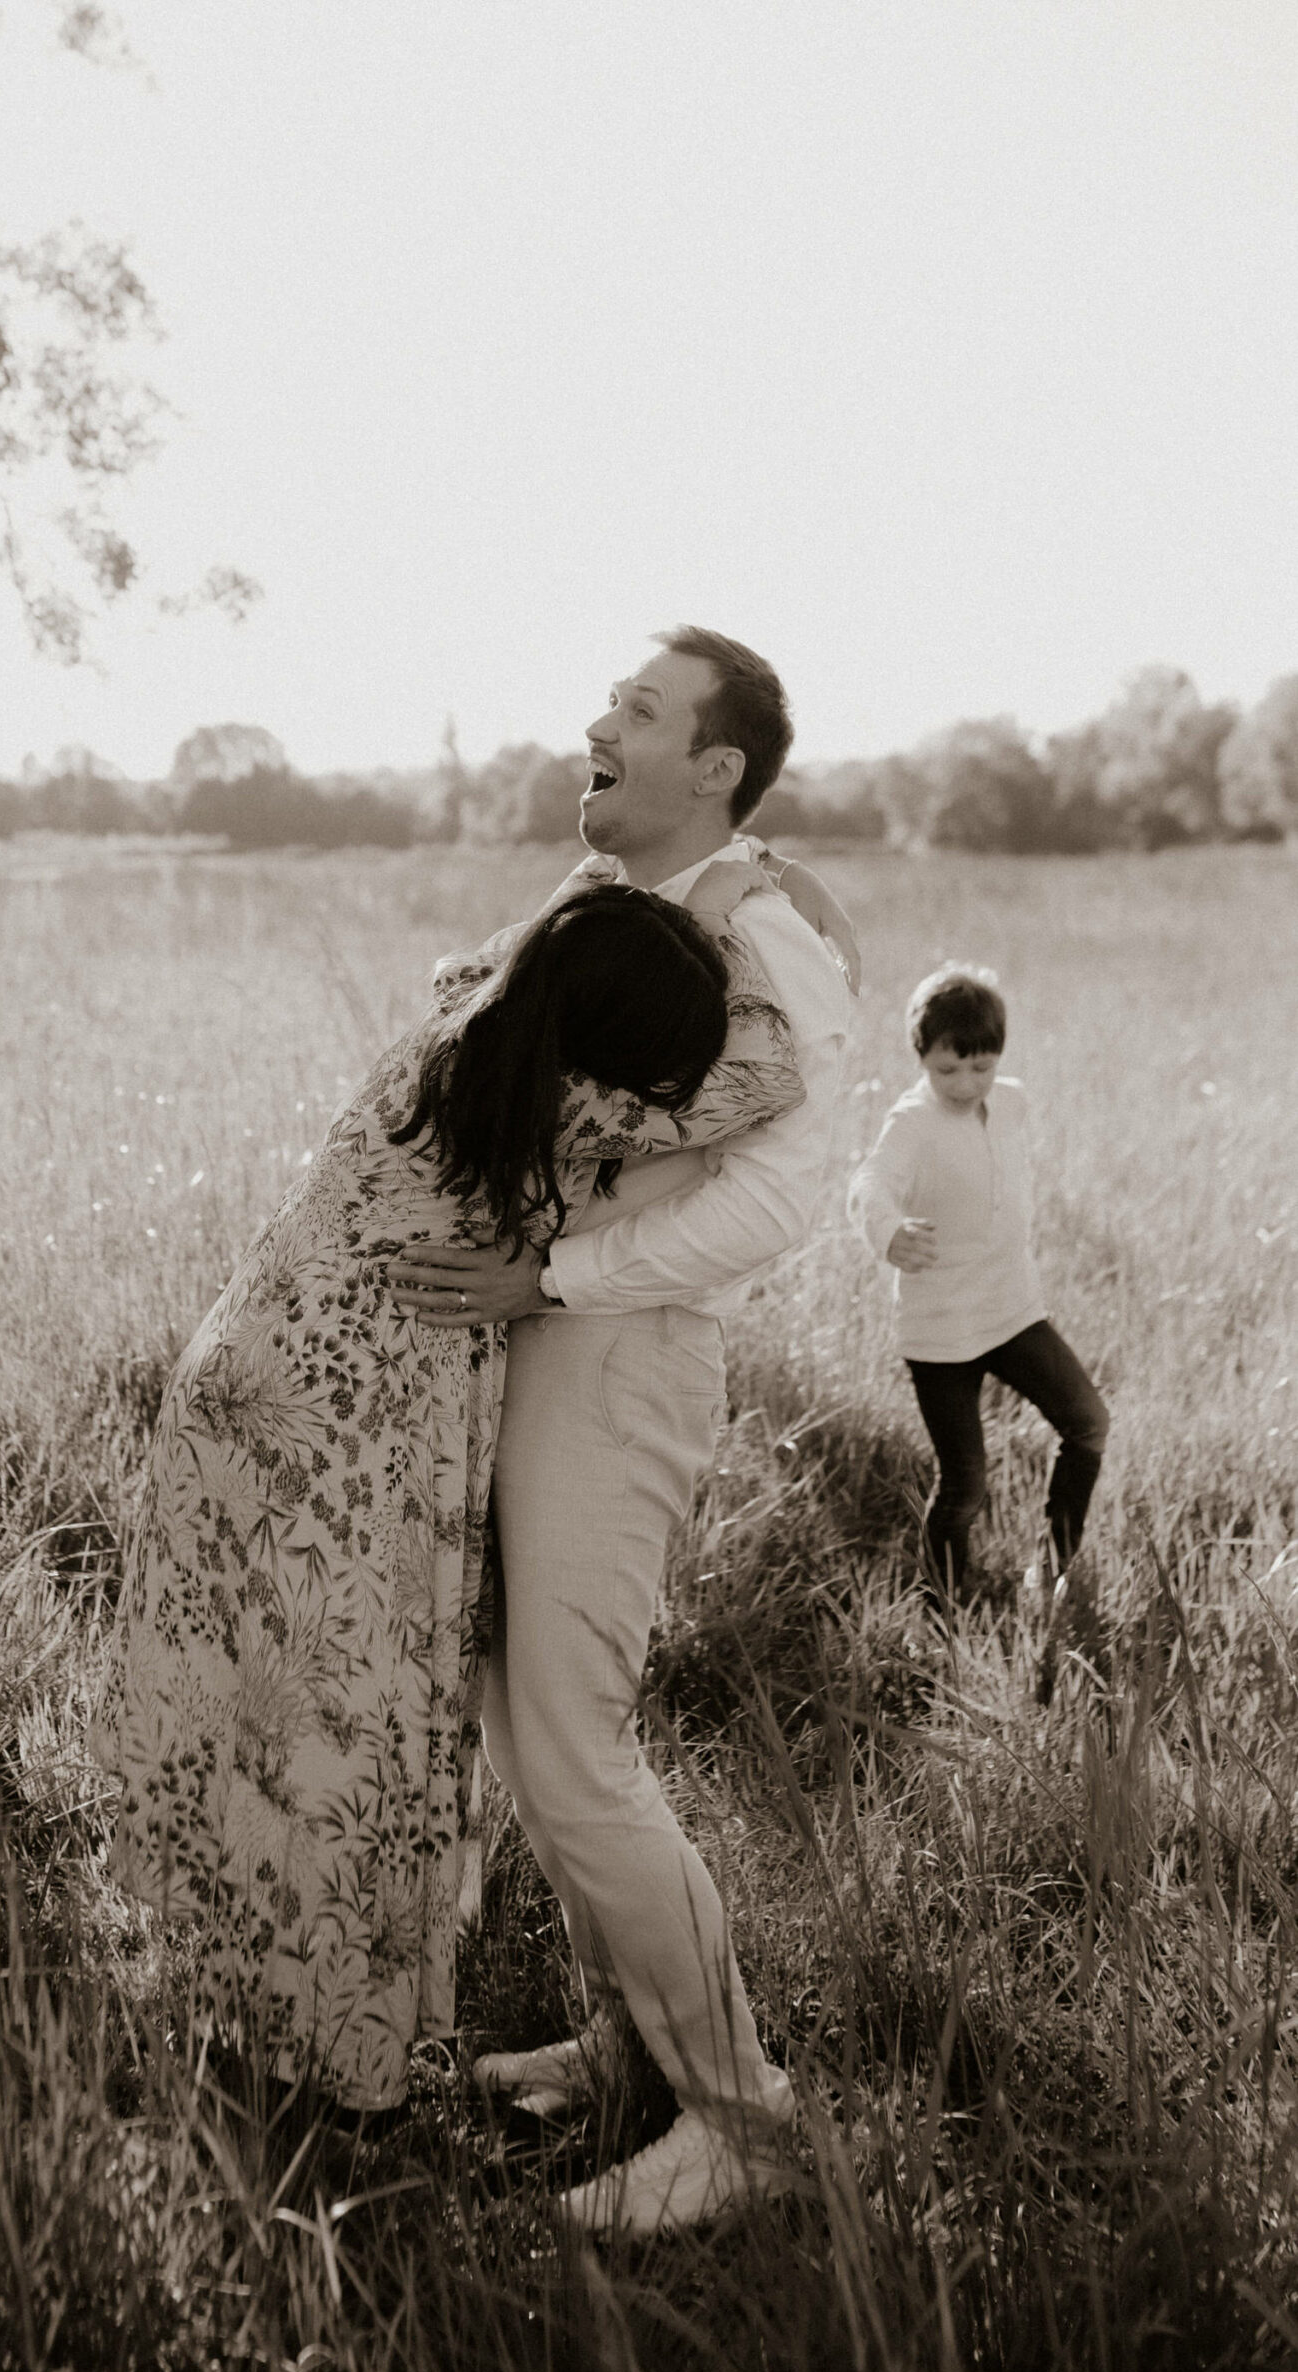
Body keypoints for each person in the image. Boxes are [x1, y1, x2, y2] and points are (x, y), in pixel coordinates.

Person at [94, 880, 805, 2115]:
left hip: (250, 1389)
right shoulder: (559, 1118)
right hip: (346, 1435)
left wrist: (618, 910)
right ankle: (331, 2059)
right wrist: (740, 921)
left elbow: (529, 960)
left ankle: (246, 2010)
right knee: (348, 1733)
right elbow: (769, 1079)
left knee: (261, 1721)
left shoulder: (461, 1031)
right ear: (612, 1049)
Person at [393, 626, 855, 2234]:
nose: (596, 722)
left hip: (624, 1347)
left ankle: (743, 2120)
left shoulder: (765, 929)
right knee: (531, 1737)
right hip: (545, 1336)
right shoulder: (622, 910)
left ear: (713, 768)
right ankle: (626, 2054)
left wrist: (557, 1275)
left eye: (639, 711)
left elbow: (784, 1195)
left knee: (574, 1749)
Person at [847, 962, 1109, 1604]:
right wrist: (886, 1231)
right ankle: (941, 1604)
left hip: (1013, 1310)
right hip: (940, 1330)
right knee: (965, 1481)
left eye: (981, 1067)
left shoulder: (1013, 1101)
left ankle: (1050, 1568)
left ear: (999, 1058)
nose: (966, 1084)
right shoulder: (910, 1122)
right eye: (947, 1070)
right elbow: (869, 1185)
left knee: (1089, 1422)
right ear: (921, 1057)